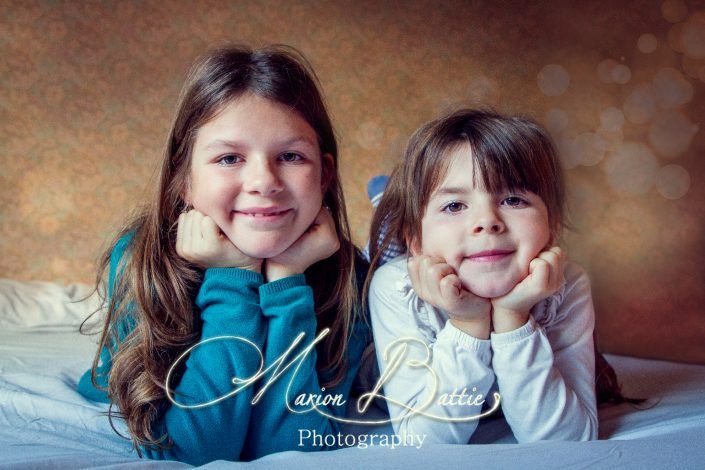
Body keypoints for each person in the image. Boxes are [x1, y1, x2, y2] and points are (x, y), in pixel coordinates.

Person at [77, 45, 369, 465]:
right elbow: (192, 452)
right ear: (185, 181)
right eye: (229, 157)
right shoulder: (141, 262)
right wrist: (233, 281)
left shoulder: (349, 278)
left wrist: (287, 283)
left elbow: (289, 450)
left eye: (290, 156)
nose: (263, 181)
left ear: (324, 175)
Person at [366, 109, 598, 444]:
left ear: (553, 225)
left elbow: (568, 441)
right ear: (415, 241)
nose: (487, 221)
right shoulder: (396, 287)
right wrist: (469, 324)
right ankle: (384, 202)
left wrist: (514, 319)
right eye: (455, 206)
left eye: (513, 199)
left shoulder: (567, 283)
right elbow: (425, 443)